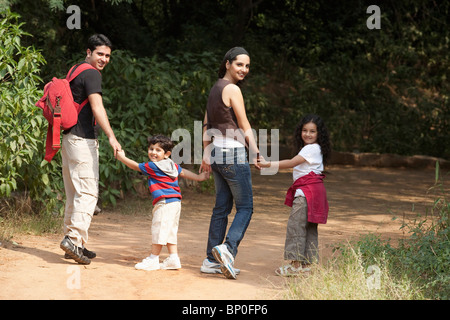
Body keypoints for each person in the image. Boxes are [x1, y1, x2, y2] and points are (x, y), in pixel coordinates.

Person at [199, 47, 261, 279]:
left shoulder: (215, 88)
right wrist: (255, 151)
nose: (244, 69)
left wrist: (206, 152)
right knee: (245, 207)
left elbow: (206, 123)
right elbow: (244, 125)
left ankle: (209, 260)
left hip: (216, 153)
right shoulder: (232, 89)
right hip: (233, 154)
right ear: (227, 64)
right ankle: (227, 248)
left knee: (221, 208)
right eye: (239, 65)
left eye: (247, 66)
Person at [60, 34, 121, 265]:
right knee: (88, 193)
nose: (104, 59)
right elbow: (97, 106)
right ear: (89, 52)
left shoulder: (75, 69)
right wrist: (112, 137)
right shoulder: (92, 73)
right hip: (82, 140)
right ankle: (73, 239)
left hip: (68, 140)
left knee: (74, 193)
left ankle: (75, 245)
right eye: (100, 54)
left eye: (107, 55)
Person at [116, 135, 209, 271]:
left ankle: (153, 259)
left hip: (165, 203)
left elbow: (135, 166)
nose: (153, 152)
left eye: (158, 150)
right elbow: (182, 172)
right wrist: (199, 178)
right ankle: (173, 258)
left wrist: (121, 157)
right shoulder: (171, 164)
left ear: (167, 154)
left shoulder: (154, 166)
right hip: (175, 202)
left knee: (159, 229)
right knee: (170, 230)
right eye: (151, 149)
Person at [258, 114, 331, 276]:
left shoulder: (311, 148)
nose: (308, 134)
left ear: (319, 134)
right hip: (315, 193)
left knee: (296, 226)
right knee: (309, 228)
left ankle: (295, 266)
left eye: (312, 131)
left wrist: (267, 164)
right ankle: (308, 266)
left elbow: (292, 163)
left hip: (307, 193)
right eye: (305, 130)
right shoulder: (316, 148)